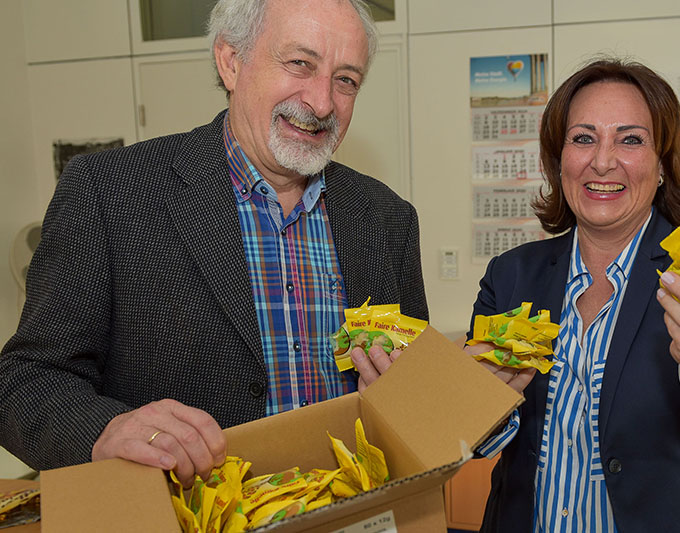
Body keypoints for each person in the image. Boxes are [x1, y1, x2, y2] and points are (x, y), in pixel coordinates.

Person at [0, 0, 427, 488]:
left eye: (346, 79)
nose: (323, 103)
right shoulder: (110, 191)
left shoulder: (389, 218)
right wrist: (106, 430)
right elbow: (24, 379)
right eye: (300, 64)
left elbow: (414, 397)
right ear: (230, 61)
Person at [465, 59, 680, 532]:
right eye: (583, 138)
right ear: (558, 159)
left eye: (630, 139)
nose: (603, 161)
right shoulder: (511, 275)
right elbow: (471, 440)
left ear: (662, 164)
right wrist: (477, 406)